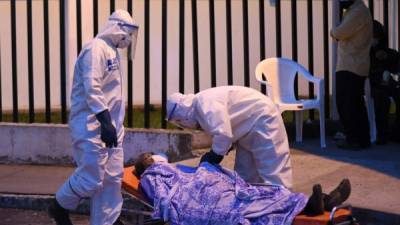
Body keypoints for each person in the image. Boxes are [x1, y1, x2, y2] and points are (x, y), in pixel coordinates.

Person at [48, 10, 139, 225]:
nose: (129, 38)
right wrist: (105, 120)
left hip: (112, 128)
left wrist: (113, 124)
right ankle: (58, 206)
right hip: (91, 125)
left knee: (112, 179)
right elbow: (92, 87)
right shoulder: (94, 49)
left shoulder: (112, 51)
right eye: (128, 32)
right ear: (118, 28)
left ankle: (108, 220)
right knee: (91, 178)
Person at [134, 152, 351, 225]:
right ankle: (312, 205)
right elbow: (164, 197)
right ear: (146, 164)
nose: (149, 157)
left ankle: (324, 200)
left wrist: (207, 173)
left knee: (263, 192)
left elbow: (200, 174)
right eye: (146, 157)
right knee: (248, 205)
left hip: (214, 188)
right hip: (199, 198)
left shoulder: (173, 167)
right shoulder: (150, 177)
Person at [166, 86, 292, 189]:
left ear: (181, 115)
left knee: (274, 173)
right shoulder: (201, 105)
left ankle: (288, 211)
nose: (183, 125)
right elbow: (227, 126)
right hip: (247, 128)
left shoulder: (204, 103)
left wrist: (214, 155)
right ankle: (256, 211)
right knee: (246, 178)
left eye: (180, 122)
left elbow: (223, 134)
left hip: (263, 120)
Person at [330, 0, 373, 149]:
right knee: (354, 103)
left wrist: (333, 32)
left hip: (352, 65)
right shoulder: (355, 11)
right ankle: (361, 139)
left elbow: (339, 33)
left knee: (347, 103)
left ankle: (354, 139)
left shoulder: (357, 12)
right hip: (352, 64)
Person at [369, 20, 400, 145]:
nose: (375, 40)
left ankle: (396, 132)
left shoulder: (385, 51)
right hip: (371, 84)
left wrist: (386, 57)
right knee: (382, 99)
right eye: (372, 37)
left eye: (376, 37)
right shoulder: (363, 53)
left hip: (388, 83)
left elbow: (395, 62)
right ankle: (382, 134)